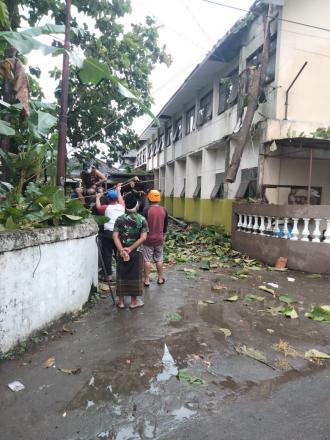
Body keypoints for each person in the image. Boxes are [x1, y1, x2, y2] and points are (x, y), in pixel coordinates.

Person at [112, 193, 148, 309]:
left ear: (125, 206)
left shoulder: (119, 219)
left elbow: (115, 236)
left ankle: (121, 302)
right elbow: (143, 238)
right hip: (136, 252)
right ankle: (133, 303)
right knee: (135, 276)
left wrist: (122, 250)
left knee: (121, 275)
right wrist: (130, 248)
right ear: (137, 205)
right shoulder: (142, 219)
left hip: (121, 252)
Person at [95, 184, 125, 282]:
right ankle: (122, 274)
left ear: (108, 199)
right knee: (120, 253)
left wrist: (98, 197)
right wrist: (119, 191)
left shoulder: (106, 208)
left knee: (107, 254)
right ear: (116, 199)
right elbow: (121, 200)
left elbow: (98, 207)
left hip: (108, 234)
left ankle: (108, 276)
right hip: (120, 234)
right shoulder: (122, 207)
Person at [142, 189, 168, 286]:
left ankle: (147, 280)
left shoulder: (146, 210)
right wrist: (162, 236)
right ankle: (160, 279)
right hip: (159, 238)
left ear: (149, 198)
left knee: (147, 260)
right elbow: (165, 226)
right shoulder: (164, 210)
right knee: (159, 259)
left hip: (148, 239)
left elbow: (143, 225)